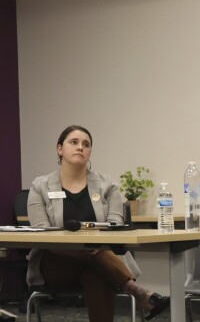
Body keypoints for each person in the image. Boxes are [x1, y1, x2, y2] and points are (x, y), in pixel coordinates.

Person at [26, 125, 170, 322]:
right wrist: (72, 250)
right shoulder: (40, 186)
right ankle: (136, 290)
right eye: (74, 142)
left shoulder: (107, 185)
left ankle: (135, 290)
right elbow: (40, 232)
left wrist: (92, 247)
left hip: (98, 257)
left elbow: (115, 225)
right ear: (60, 149)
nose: (80, 147)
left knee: (95, 274)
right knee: (97, 260)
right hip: (55, 261)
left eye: (86, 144)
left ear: (90, 152)